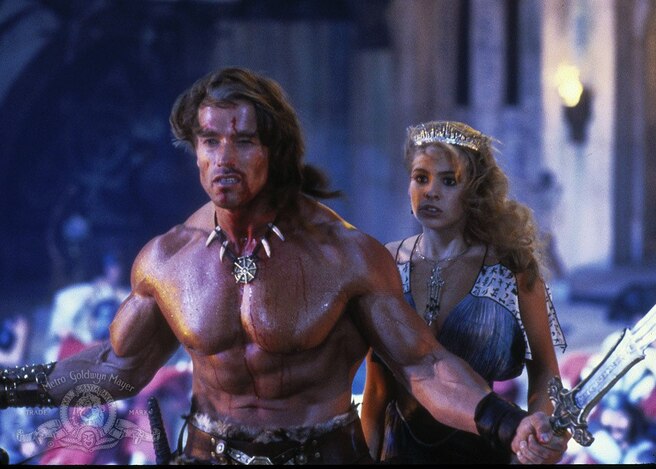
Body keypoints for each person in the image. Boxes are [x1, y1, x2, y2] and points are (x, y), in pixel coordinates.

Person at [0, 68, 567, 465]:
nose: (223, 158)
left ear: (276, 151)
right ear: (194, 149)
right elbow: (116, 366)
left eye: (244, 141)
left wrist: (508, 423)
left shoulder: (343, 254)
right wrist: (7, 385)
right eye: (209, 141)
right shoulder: (168, 258)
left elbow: (424, 366)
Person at [361, 121, 568, 464]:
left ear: (474, 192)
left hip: (485, 451)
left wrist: (538, 434)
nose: (431, 191)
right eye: (421, 178)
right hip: (399, 453)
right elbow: (377, 388)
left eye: (449, 181)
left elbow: (546, 371)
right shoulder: (387, 263)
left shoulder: (511, 268)